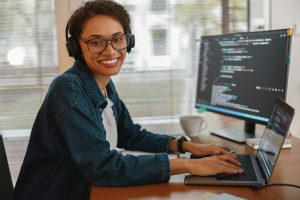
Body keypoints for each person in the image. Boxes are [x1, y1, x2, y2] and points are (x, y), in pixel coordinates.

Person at [13, 0, 243, 199]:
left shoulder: (102, 83)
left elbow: (129, 134)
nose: (110, 51)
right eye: (95, 42)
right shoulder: (69, 89)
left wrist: (184, 146)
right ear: (76, 48)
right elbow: (103, 167)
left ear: (128, 41)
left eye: (117, 39)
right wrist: (188, 164)